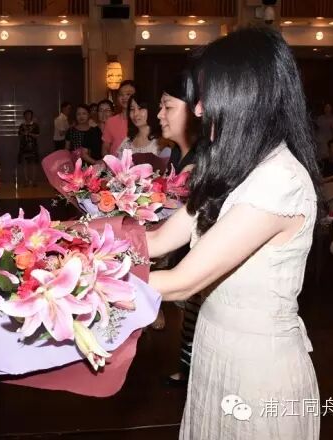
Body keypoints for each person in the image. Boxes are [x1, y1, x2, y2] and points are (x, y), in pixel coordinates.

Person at [147, 27, 321, 439]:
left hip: (258, 368)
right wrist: (77, 238)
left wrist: (81, 284)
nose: (199, 109)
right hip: (215, 348)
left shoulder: (280, 180)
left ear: (246, 97)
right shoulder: (231, 170)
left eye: (208, 95)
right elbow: (156, 241)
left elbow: (182, 281)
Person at [156, 71, 202, 382]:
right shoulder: (177, 153)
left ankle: (190, 369)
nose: (160, 114)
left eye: (168, 107)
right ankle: (187, 367)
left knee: (194, 307)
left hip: (194, 249)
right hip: (177, 243)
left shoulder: (203, 161)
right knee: (190, 312)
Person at [116, 92, 159, 158]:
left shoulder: (159, 142)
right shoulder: (128, 141)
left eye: (140, 108)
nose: (135, 113)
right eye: (132, 109)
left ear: (151, 109)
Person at [102, 79, 136, 156]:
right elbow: (105, 148)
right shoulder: (111, 121)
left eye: (128, 94)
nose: (124, 97)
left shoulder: (140, 120)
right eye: (121, 94)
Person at [81, 99, 113, 164]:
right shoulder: (91, 132)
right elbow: (84, 154)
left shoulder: (116, 131)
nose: (104, 113)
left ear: (112, 113)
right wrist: (95, 162)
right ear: (97, 113)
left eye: (107, 110)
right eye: (101, 110)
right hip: (97, 167)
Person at [18, 109, 40, 186]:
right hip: (24, 147)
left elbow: (37, 135)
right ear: (24, 116)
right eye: (26, 115)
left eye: (29, 114)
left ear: (31, 116)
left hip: (33, 147)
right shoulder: (22, 126)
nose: (28, 116)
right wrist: (24, 134)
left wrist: (30, 134)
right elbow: (19, 135)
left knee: (34, 164)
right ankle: (26, 180)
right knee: (25, 164)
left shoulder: (35, 125)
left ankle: (34, 180)